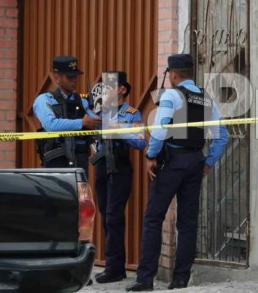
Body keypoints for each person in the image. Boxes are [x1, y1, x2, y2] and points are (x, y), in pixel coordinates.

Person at [126, 54, 229, 292]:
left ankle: (145, 280)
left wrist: (151, 156)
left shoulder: (171, 95)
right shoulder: (205, 99)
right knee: (188, 222)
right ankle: (181, 279)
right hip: (195, 162)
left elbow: (160, 130)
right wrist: (208, 162)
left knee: (153, 218)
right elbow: (222, 136)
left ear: (172, 74)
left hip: (172, 163)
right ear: (191, 73)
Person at [91, 71, 146, 284]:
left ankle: (115, 268)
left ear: (122, 89)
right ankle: (114, 265)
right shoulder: (100, 112)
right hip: (102, 168)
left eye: (110, 87)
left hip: (120, 169)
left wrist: (118, 130)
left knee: (114, 216)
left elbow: (140, 142)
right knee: (106, 215)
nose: (105, 92)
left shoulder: (132, 114)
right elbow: (92, 139)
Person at [33, 56, 101, 175]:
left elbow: (97, 124)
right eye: (69, 77)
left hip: (80, 161)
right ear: (57, 77)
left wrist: (127, 126)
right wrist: (82, 123)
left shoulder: (82, 102)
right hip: (56, 162)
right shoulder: (45, 100)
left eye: (75, 76)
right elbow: (51, 125)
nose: (74, 80)